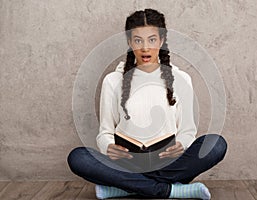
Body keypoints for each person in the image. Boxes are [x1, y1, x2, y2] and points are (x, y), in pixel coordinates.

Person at [67, 8, 227, 200]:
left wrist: (182, 144)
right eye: (137, 40)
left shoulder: (181, 79)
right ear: (129, 42)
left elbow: (187, 130)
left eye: (151, 40)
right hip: (126, 162)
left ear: (161, 41)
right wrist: (108, 146)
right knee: (78, 157)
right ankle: (169, 190)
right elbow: (105, 132)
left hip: (168, 163)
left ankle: (126, 187)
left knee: (216, 144)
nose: (145, 47)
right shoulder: (113, 80)